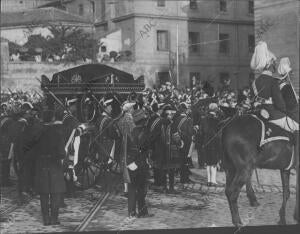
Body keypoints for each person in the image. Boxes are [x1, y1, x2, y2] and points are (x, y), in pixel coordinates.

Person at [250, 42, 298, 152]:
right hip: (274, 114)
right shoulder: (272, 81)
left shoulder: (254, 82)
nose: (275, 65)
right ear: (270, 65)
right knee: (297, 126)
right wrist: (286, 111)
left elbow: (254, 101)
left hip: (259, 113)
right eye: (274, 63)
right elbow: (280, 104)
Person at [34, 110, 66, 225]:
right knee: (55, 192)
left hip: (41, 164)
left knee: (44, 193)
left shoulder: (38, 132)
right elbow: (62, 153)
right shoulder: (57, 133)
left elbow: (32, 150)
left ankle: (46, 219)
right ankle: (54, 218)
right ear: (52, 119)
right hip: (54, 164)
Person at [202, 103, 221, 186]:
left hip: (206, 141)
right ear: (216, 110)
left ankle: (209, 180)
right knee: (214, 162)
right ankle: (213, 181)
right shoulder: (217, 120)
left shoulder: (203, 119)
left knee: (208, 161)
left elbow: (202, 131)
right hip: (214, 142)